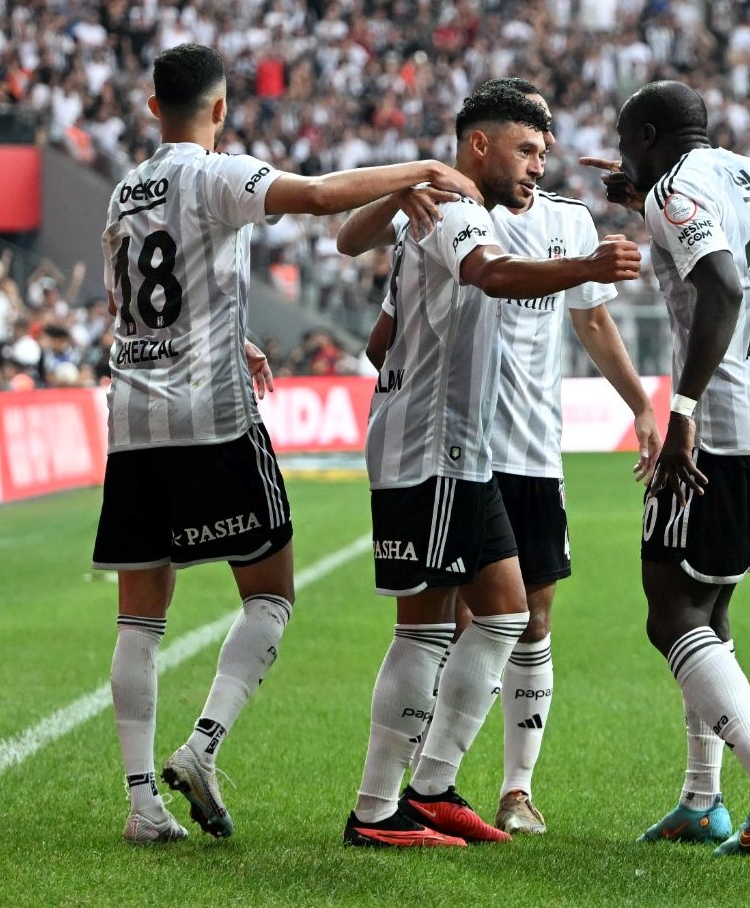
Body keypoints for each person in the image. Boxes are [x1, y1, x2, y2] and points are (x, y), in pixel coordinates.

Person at [93, 42, 481, 845]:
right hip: (211, 419)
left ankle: (141, 805)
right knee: (270, 594)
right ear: (220, 108)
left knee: (140, 619)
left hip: (132, 420)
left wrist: (230, 336)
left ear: (153, 107)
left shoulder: (124, 193)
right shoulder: (216, 173)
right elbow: (322, 195)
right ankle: (203, 747)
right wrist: (419, 169)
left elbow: (139, 307)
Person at [338, 77, 659, 837]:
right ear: (480, 144)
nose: (539, 165)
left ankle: (440, 789)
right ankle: (379, 808)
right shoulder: (450, 207)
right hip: (436, 444)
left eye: (544, 152)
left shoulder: (470, 208)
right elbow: (487, 274)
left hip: (477, 449)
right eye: (526, 149)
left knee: (511, 613)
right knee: (429, 627)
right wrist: (586, 268)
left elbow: (386, 333)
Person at [585, 79, 750, 856]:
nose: (624, 159)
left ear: (649, 136)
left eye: (627, 145)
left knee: (670, 611)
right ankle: (701, 800)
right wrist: (646, 201)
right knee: (709, 613)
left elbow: (722, 285)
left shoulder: (674, 188)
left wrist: (682, 414)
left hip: (720, 423)